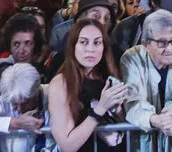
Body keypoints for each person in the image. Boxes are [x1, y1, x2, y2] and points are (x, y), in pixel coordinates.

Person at [121, 10, 172, 152]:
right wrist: (155, 120)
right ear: (146, 44)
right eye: (162, 42)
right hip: (143, 143)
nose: (170, 48)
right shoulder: (131, 58)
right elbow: (133, 101)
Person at [47, 18, 127, 152]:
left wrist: (118, 110)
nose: (90, 49)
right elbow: (67, 145)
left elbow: (125, 131)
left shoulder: (109, 76)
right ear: (73, 45)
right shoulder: (60, 83)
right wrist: (100, 109)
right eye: (84, 42)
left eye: (97, 42)